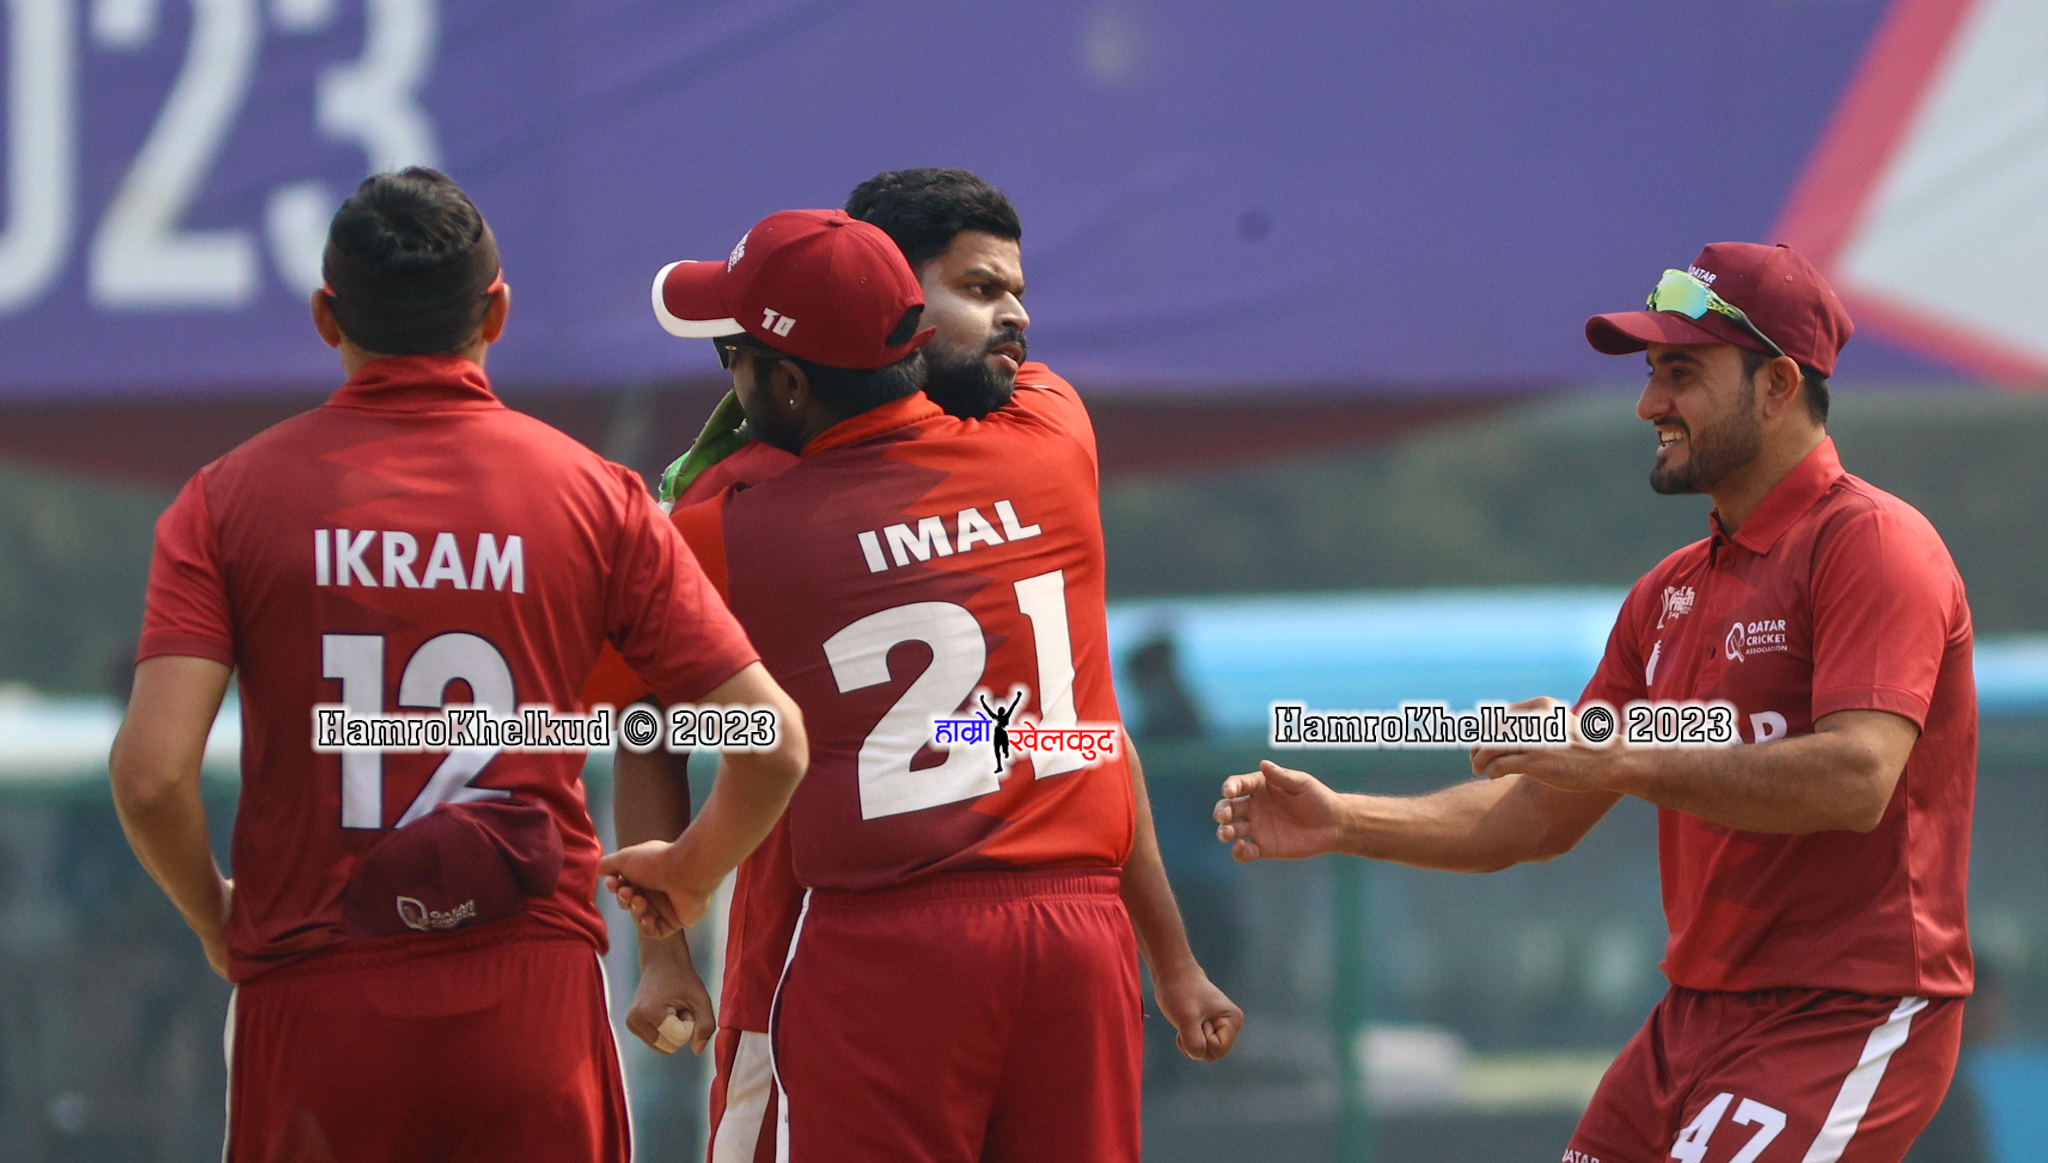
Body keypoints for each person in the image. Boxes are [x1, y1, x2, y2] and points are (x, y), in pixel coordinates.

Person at [1213, 242, 1974, 1163]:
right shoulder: (1667, 591)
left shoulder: (1873, 543)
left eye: (1681, 373)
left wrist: (1612, 754)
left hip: (1846, 1012)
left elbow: (1857, 777)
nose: (1649, 404)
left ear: (1777, 384)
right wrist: (1345, 820)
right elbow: (1539, 814)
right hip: (1692, 1020)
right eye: (1651, 373)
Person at [108, 167, 807, 1163]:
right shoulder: (593, 495)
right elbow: (771, 742)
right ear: (497, 312)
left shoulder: (226, 500)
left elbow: (150, 776)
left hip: (314, 993)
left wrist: (219, 917)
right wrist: (688, 880)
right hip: (529, 999)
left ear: (326, 316)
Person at [592, 171, 1241, 1163]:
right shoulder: (1053, 430)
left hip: (865, 941)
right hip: (1075, 939)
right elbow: (1091, 739)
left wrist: (662, 944)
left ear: (789, 378)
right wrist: (1171, 955)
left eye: (736, 356)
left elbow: (643, 717)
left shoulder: (733, 518)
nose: (1014, 318)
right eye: (979, 289)